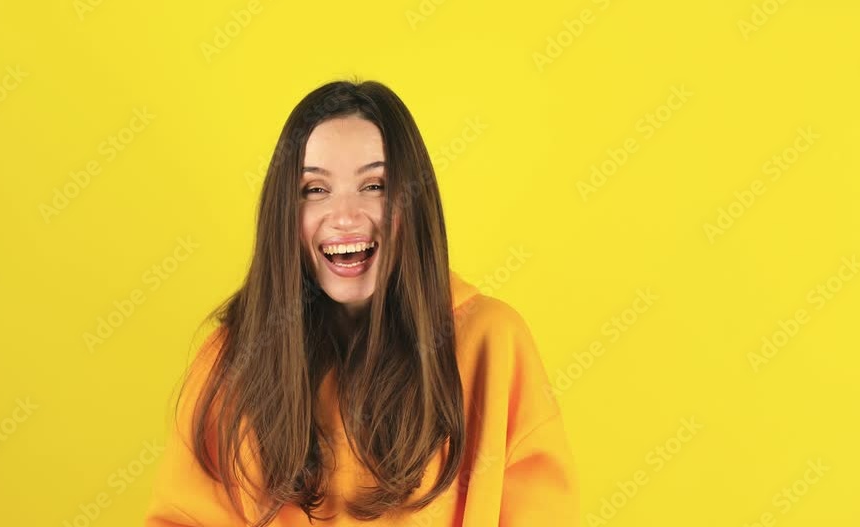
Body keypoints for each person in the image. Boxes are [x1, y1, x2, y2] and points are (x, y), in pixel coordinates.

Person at [144, 79, 579, 526]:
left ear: (413, 204)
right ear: (284, 213)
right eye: (315, 190)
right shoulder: (232, 360)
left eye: (374, 185)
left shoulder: (493, 340)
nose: (346, 216)